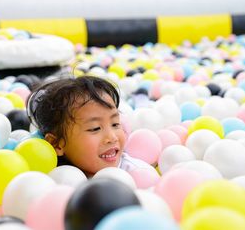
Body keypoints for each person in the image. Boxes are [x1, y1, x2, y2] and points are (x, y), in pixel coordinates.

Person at [27, 75, 155, 177]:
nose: (112, 137)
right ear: (56, 144)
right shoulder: (51, 176)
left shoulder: (137, 174)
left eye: (115, 124)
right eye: (95, 128)